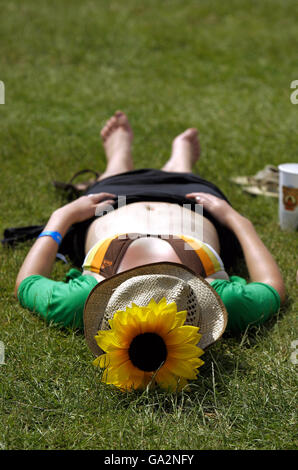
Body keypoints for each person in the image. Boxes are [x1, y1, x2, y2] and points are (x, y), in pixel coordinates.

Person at [15, 111, 285, 373]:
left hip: (109, 202)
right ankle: (181, 161)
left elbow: (27, 284)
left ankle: (119, 157)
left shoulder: (86, 301)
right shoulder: (213, 299)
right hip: (192, 202)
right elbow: (272, 289)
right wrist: (237, 221)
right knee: (182, 171)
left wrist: (62, 218)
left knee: (113, 175)